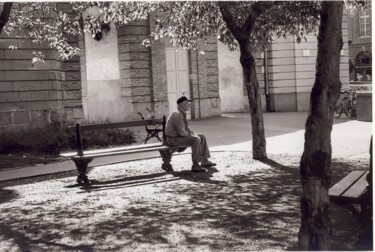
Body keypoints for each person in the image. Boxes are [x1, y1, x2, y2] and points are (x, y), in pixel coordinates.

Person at [165, 96, 216, 172]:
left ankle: (204, 160)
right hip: (173, 139)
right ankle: (195, 165)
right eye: (187, 103)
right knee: (195, 139)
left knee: (201, 136)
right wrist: (193, 136)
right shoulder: (177, 114)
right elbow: (182, 132)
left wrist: (192, 134)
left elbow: (186, 129)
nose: (189, 105)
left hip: (179, 137)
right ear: (182, 104)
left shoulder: (182, 113)